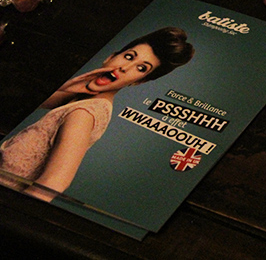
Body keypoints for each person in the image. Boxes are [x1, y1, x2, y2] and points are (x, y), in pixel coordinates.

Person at [0, 27, 194, 201]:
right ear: (111, 56)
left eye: (141, 68)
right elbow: (30, 103)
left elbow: (54, 183)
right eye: (129, 57)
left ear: (139, 81)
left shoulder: (84, 113)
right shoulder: (82, 100)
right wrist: (69, 87)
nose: (124, 68)